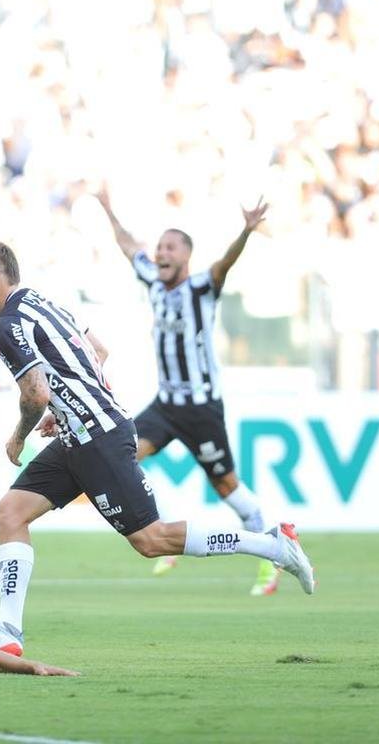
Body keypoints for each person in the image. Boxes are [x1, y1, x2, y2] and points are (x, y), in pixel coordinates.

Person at [0, 240, 315, 656]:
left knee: (152, 540)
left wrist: (21, 434)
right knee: (10, 513)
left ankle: (273, 545)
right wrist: (69, 404)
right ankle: (8, 629)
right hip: (80, 434)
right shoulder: (43, 302)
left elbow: (34, 393)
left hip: (98, 439)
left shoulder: (7, 324)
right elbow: (98, 351)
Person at [99, 188, 282, 595]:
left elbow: (224, 266)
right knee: (122, 453)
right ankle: (161, 535)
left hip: (201, 408)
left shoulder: (201, 287)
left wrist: (246, 232)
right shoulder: (152, 278)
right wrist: (107, 207)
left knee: (227, 487)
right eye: (159, 246)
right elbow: (129, 246)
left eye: (170, 247)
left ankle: (274, 551)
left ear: (185, 256)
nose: (160, 252)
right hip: (166, 405)